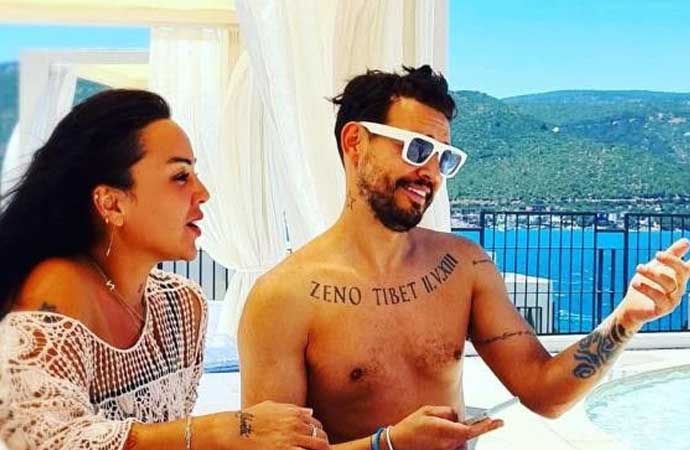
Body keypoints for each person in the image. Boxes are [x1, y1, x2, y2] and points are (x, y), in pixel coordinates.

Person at [238, 65, 690, 450]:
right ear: (355, 142)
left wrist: (627, 318)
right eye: (417, 149)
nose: (430, 173)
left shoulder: (465, 267)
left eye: (444, 159)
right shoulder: (282, 298)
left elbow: (544, 392)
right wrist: (386, 444)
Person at [0, 90, 328, 450]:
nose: (203, 192)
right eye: (180, 176)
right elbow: (52, 441)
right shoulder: (55, 289)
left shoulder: (181, 305)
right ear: (112, 203)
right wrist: (220, 430)